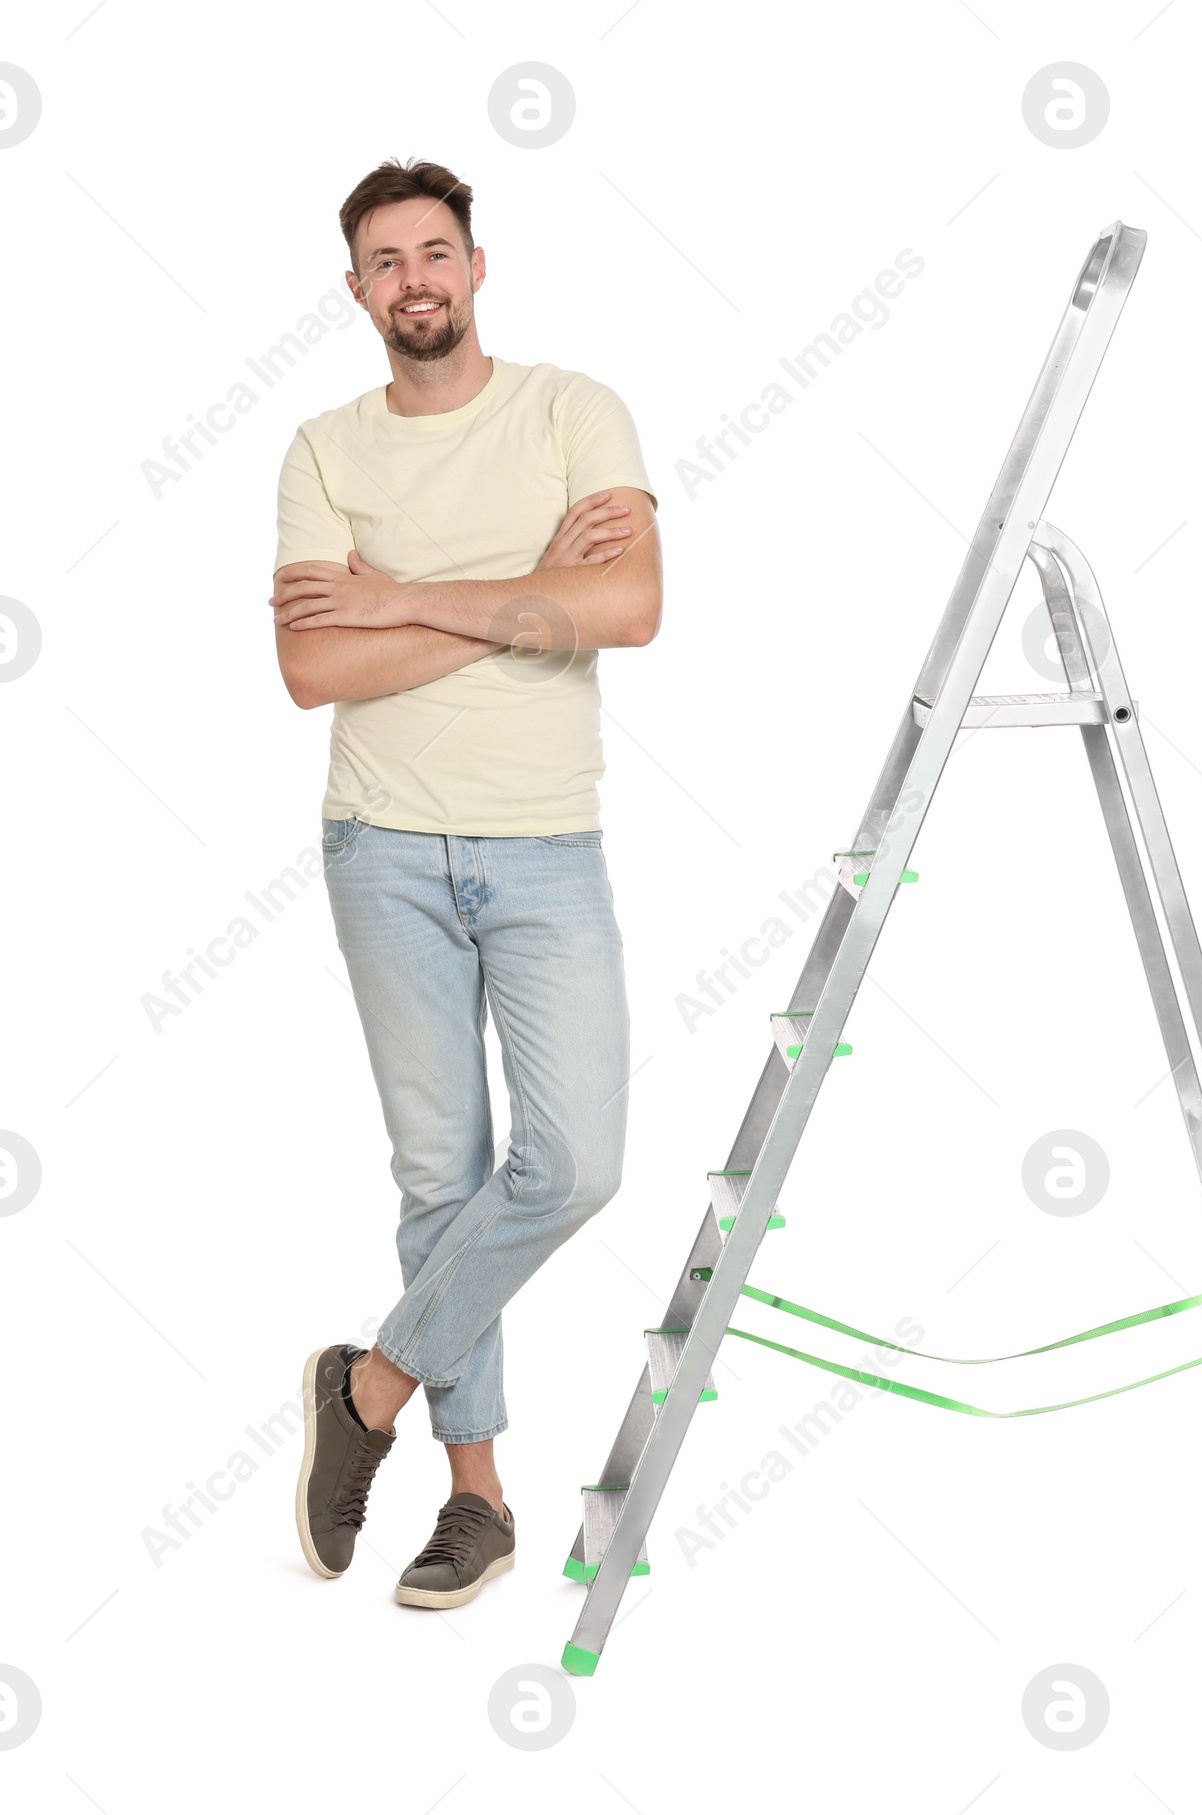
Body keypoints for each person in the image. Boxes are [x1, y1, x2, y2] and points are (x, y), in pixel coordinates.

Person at [269, 156, 661, 1609]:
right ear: (360, 290)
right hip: (382, 850)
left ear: (477, 268)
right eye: (387, 260)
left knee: (573, 1165)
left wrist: (404, 596)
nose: (415, 279)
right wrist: (520, 596)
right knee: (442, 1178)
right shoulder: (324, 450)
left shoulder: (572, 410)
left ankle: (362, 1392)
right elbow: (315, 667)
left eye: (437, 251)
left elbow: (626, 608)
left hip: (546, 841)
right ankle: (476, 1502)